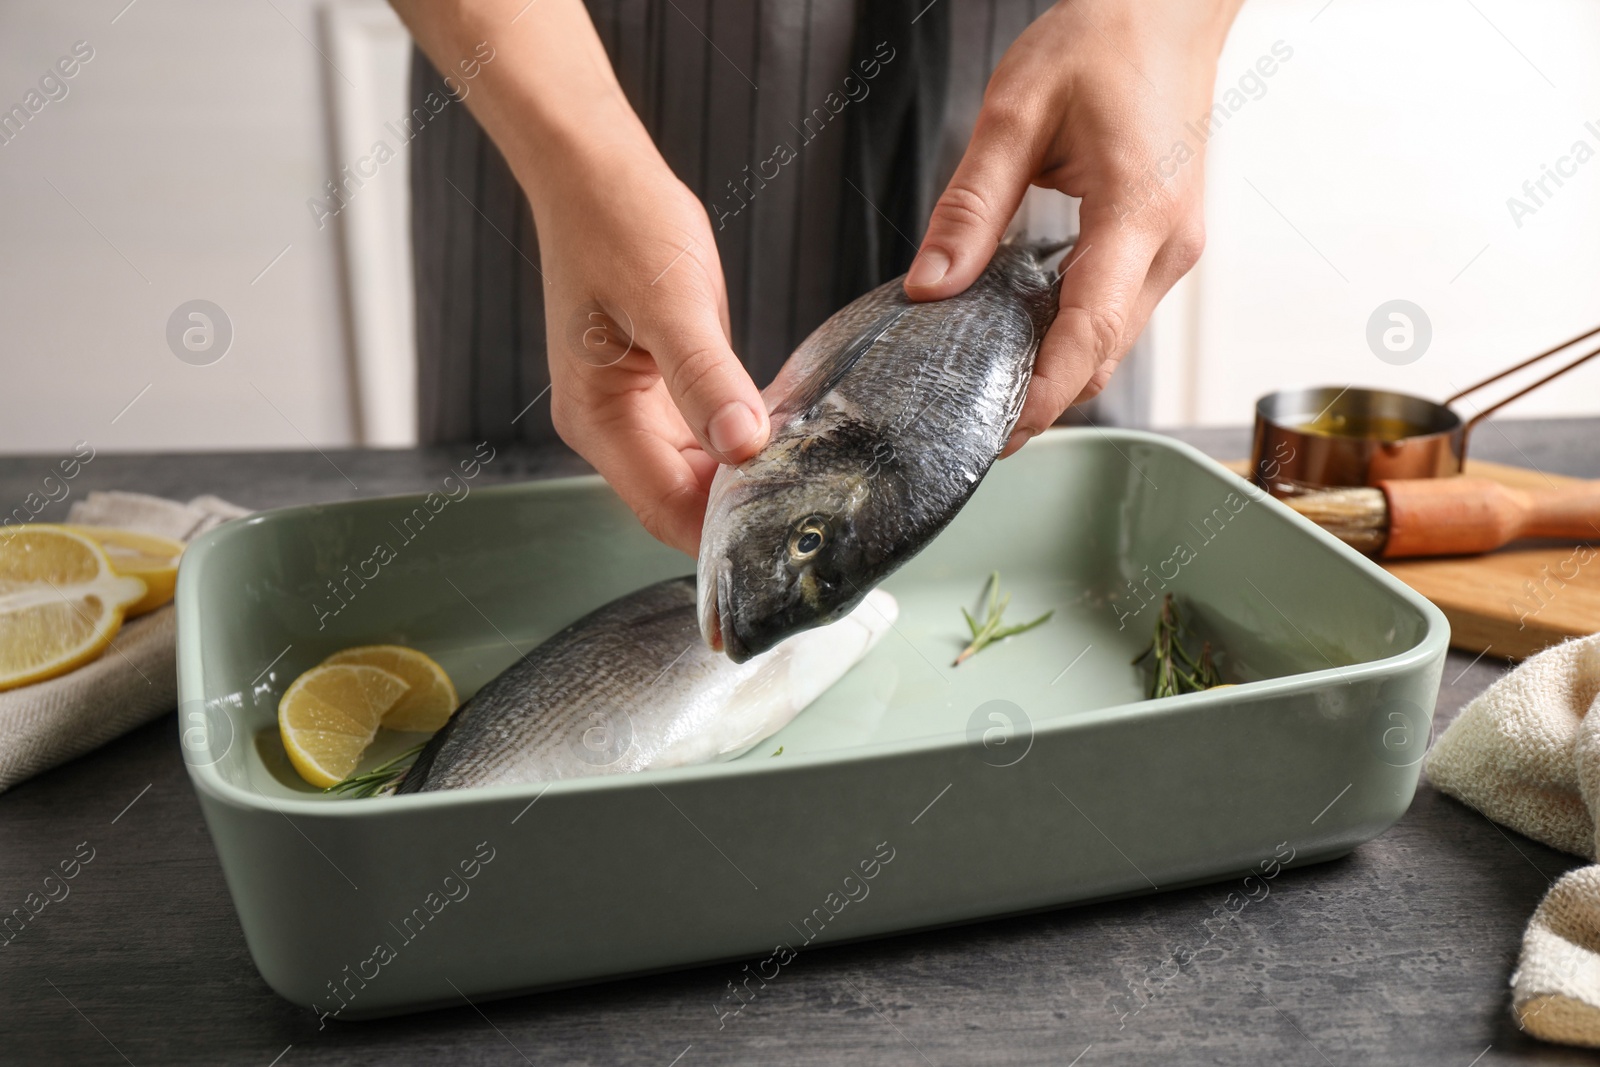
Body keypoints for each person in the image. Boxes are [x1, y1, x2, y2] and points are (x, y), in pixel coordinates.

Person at [392, 0, 1243, 555]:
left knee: (1052, 542)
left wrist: (1167, 21)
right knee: (533, 547)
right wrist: (576, 157)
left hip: (1047, 80)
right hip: (576, 80)